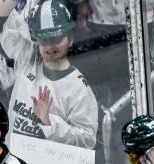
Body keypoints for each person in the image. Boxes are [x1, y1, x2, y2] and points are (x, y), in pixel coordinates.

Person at [6, 0, 98, 149]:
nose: (49, 46)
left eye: (56, 39)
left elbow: (88, 140)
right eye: (44, 40)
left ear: (70, 39)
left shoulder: (79, 89)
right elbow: (3, 25)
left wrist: (49, 123)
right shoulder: (27, 63)